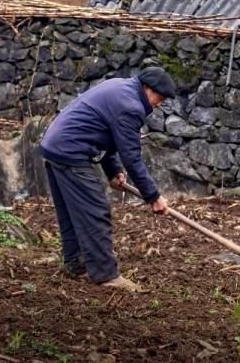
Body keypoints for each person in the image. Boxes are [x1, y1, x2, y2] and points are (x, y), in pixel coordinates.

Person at [38, 66, 177, 292]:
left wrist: (113, 171)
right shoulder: (130, 106)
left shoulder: (120, 87)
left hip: (56, 145)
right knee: (95, 210)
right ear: (147, 88)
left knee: (72, 211)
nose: (159, 104)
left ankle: (75, 264)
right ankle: (106, 274)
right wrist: (153, 196)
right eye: (159, 98)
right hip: (70, 150)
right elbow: (132, 158)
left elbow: (105, 134)